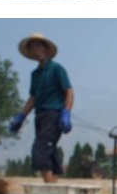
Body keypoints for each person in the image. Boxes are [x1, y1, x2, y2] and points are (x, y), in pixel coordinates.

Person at [8, 37, 74, 180]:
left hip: (53, 114)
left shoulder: (57, 69)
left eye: (39, 46)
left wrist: (66, 113)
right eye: (33, 48)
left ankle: (49, 189)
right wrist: (21, 117)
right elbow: (33, 98)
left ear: (46, 49)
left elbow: (69, 91)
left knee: (41, 150)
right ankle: (54, 188)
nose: (37, 50)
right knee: (49, 151)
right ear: (30, 53)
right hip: (40, 115)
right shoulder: (35, 74)